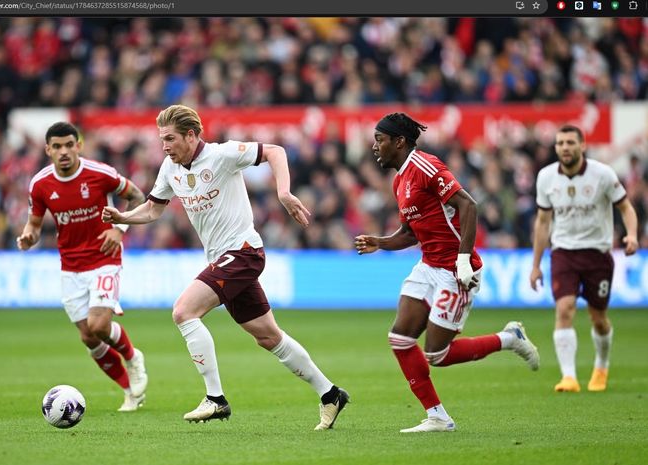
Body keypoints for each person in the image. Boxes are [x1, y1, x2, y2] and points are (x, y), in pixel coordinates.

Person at [101, 104, 349, 430]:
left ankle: (215, 399)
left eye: (170, 138)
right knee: (268, 336)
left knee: (183, 311)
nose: (164, 145)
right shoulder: (169, 167)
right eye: (162, 139)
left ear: (191, 136)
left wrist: (284, 192)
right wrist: (123, 218)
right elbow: (152, 210)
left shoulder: (222, 155)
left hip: (243, 252)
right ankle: (330, 394)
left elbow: (274, 151)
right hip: (222, 259)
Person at [354, 112, 539, 433]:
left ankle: (510, 339)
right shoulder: (399, 180)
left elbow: (469, 205)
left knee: (437, 354)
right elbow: (411, 233)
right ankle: (437, 416)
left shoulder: (426, 167)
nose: (375, 147)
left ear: (399, 142)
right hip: (428, 266)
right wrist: (380, 243)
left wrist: (464, 260)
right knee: (400, 339)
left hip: (456, 270)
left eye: (380, 140)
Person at [17, 122, 149, 412]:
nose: (63, 151)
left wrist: (119, 229)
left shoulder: (99, 174)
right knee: (89, 337)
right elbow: (35, 223)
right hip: (70, 266)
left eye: (69, 145)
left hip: (105, 257)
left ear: (79, 145)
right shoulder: (40, 184)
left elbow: (137, 196)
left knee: (99, 324)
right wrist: (29, 236)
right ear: (48, 150)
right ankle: (129, 390)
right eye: (57, 146)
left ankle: (133, 357)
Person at [529, 124, 638, 393]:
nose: (565, 148)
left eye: (570, 142)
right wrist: (535, 265)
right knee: (564, 309)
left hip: (597, 254)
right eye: (560, 143)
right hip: (563, 253)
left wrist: (632, 235)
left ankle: (601, 366)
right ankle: (569, 377)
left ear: (582, 145)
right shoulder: (545, 177)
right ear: (556, 148)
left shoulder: (602, 174)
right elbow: (543, 223)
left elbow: (626, 207)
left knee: (598, 317)